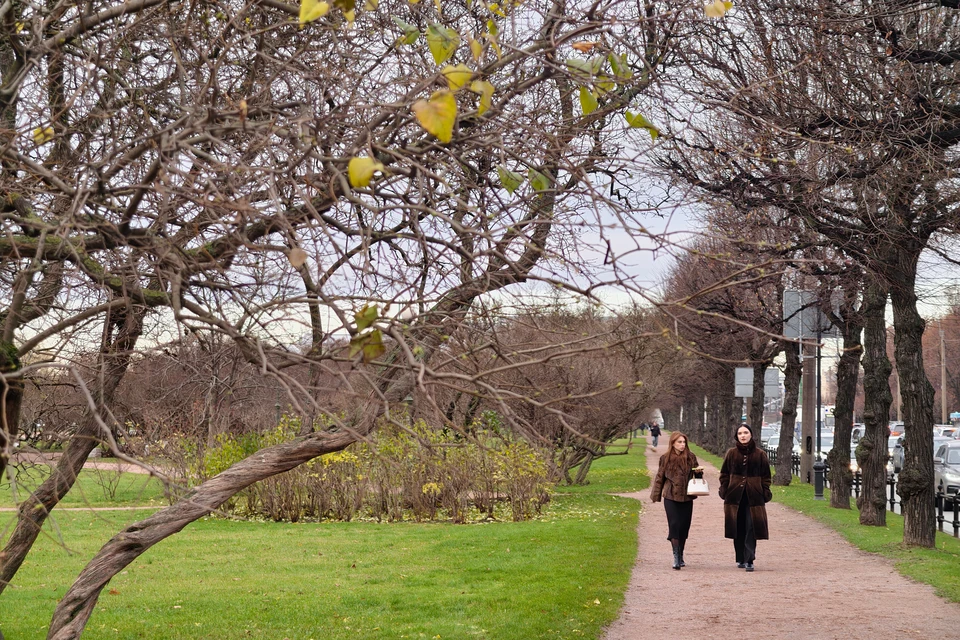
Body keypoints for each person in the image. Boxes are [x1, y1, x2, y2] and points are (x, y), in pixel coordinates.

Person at [719, 423, 772, 572]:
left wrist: (764, 490)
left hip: (754, 498)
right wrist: (724, 489)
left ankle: (750, 559)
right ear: (737, 436)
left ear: (751, 434)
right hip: (734, 497)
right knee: (738, 527)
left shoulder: (760, 454)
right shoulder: (731, 453)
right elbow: (724, 474)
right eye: (740, 433)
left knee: (751, 527)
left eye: (746, 433)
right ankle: (740, 558)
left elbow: (766, 476)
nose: (743, 436)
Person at [650, 431, 700, 570]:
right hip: (671, 496)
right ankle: (676, 558)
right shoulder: (665, 458)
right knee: (674, 525)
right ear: (672, 443)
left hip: (686, 497)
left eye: (684, 442)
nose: (682, 445)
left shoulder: (690, 457)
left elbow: (697, 475)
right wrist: (656, 495)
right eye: (679, 442)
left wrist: (699, 474)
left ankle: (681, 554)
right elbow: (660, 477)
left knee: (684, 527)